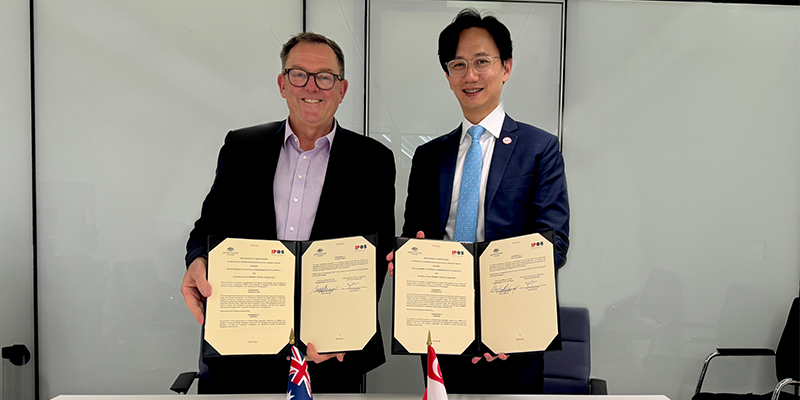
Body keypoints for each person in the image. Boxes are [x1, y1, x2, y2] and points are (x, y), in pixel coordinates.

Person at [181, 32, 395, 394]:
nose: (312, 86)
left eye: (325, 76)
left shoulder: (372, 160)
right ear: (283, 84)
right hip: (242, 348)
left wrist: (348, 329)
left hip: (328, 355)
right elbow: (208, 227)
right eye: (299, 74)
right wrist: (197, 257)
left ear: (341, 89)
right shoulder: (241, 146)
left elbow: (375, 254)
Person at [389, 8, 569, 394]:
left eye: (482, 62)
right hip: (442, 333)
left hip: (513, 339)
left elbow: (551, 244)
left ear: (505, 68)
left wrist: (500, 321)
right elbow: (415, 235)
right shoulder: (428, 156)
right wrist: (406, 257)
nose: (470, 75)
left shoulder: (540, 149)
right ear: (448, 76)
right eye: (458, 65)